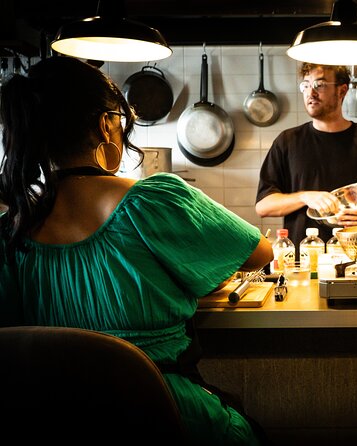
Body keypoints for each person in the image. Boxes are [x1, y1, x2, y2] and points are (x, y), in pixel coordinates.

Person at [0, 56, 274, 445]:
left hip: (51, 424)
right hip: (163, 416)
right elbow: (259, 253)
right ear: (104, 125)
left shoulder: (9, 233)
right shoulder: (153, 202)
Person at [255, 63, 357, 244]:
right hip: (306, 259)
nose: (311, 93)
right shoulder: (287, 141)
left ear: (342, 91)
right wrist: (305, 197)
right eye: (306, 85)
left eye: (320, 85)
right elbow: (263, 206)